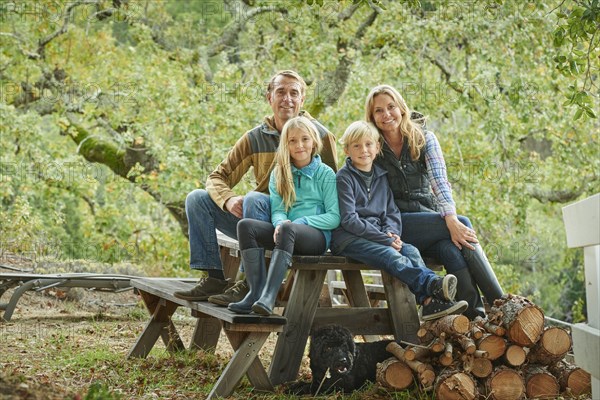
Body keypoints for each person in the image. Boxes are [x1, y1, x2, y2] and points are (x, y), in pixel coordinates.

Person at [174, 70, 338, 303]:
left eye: (294, 93)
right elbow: (217, 177)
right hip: (258, 222)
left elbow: (336, 184)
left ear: (302, 99)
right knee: (196, 199)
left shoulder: (320, 135)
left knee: (253, 198)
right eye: (280, 92)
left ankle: (249, 284)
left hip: (301, 228)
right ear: (269, 97)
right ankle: (213, 277)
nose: (287, 99)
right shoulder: (254, 138)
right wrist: (228, 199)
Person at [364, 84, 504, 319]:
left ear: (402, 108)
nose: (386, 114)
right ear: (372, 117)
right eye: (379, 111)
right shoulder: (371, 147)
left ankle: (475, 318)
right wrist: (453, 222)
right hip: (396, 224)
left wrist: (449, 218)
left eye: (391, 107)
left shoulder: (424, 138)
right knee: (464, 223)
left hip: (428, 219)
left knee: (452, 248)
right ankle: (501, 303)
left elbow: (440, 182)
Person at [331, 121, 468, 321]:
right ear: (346, 150)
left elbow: (391, 212)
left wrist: (392, 233)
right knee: (391, 255)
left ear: (378, 148)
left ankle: (428, 302)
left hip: (379, 236)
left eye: (369, 144)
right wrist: (384, 239)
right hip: (349, 238)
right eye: (357, 146)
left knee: (410, 250)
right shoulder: (344, 177)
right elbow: (350, 220)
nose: (364, 150)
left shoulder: (381, 176)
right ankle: (432, 285)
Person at [228, 116, 340, 315]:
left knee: (289, 228)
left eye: (305, 139)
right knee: (246, 226)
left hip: (316, 237)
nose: (299, 145)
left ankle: (269, 297)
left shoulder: (326, 174)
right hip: (287, 234)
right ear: (285, 145)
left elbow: (334, 217)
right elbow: (278, 209)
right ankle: (255, 292)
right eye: (292, 140)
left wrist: (301, 222)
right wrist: (279, 223)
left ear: (314, 141)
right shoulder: (279, 173)